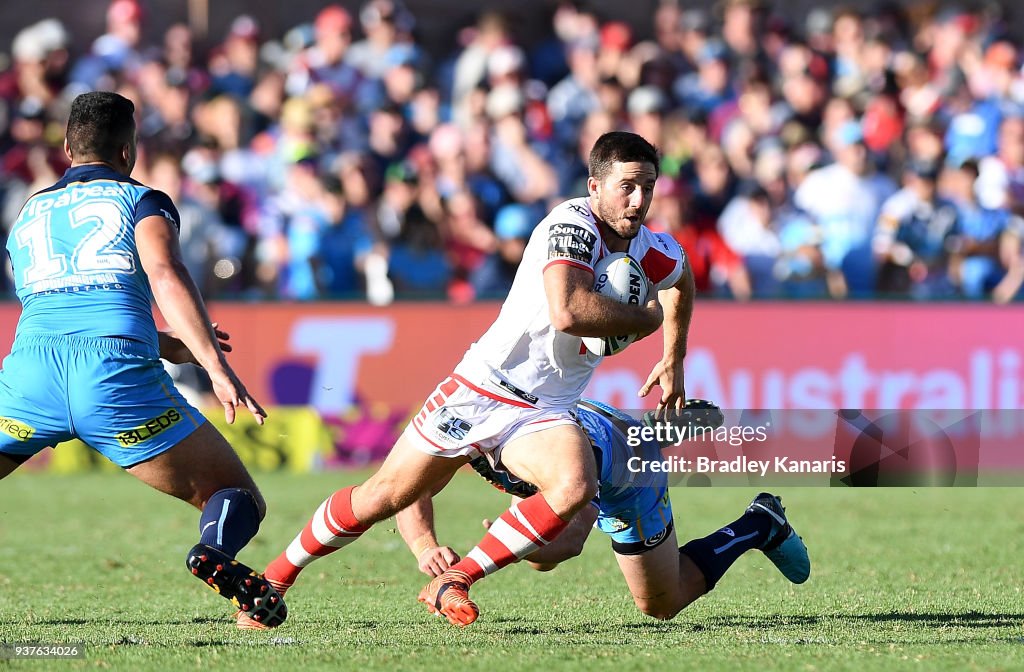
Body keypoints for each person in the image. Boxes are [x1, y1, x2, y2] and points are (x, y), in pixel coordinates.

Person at [246, 131, 696, 628]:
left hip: (545, 410)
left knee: (574, 485)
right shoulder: (572, 226)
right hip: (483, 387)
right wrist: (644, 321)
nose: (639, 201)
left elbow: (682, 279)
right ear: (595, 186)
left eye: (648, 187)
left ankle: (456, 579)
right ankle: (275, 576)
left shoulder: (650, 247)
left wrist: (672, 358)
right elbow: (567, 311)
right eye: (627, 186)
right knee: (384, 497)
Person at [0, 91, 285, 627]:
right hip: (114, 384)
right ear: (129, 151)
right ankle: (214, 556)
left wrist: (159, 340)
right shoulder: (142, 200)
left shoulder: (27, 211)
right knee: (234, 495)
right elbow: (164, 272)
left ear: (65, 147)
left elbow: (68, 306)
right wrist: (212, 364)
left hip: (29, 378)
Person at [397, 399, 810, 621]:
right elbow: (406, 488)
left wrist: (506, 541)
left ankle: (759, 524)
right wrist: (423, 545)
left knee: (661, 604)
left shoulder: (566, 454)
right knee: (537, 558)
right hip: (576, 445)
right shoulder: (464, 416)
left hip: (627, 472)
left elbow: (572, 539)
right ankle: (648, 429)